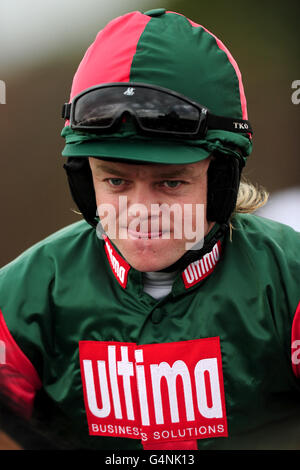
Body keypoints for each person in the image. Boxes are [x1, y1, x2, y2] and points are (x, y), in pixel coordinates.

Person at [0, 8, 299, 451]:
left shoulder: (289, 280)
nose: (140, 212)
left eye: (171, 182)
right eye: (115, 181)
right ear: (86, 183)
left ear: (221, 181)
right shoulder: (22, 297)